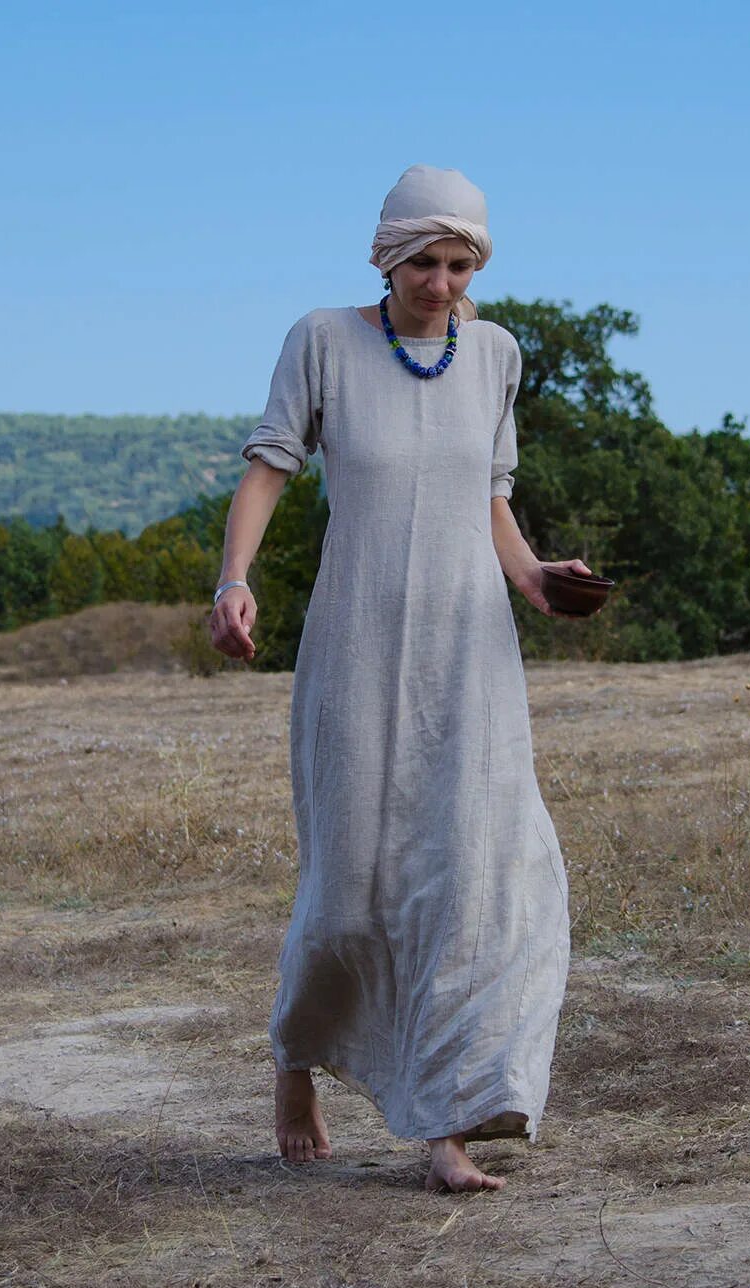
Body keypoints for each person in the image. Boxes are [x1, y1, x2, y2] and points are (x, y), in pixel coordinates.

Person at [210, 165, 594, 1193]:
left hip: (469, 652)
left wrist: (535, 578)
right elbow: (269, 465)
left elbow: (490, 496)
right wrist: (233, 581)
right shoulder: (323, 341)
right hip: (358, 640)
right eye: (423, 261)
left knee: (470, 877)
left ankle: (447, 1126)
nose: (441, 282)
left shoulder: (497, 353)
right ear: (384, 256)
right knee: (348, 885)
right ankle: (297, 1063)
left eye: (459, 263)